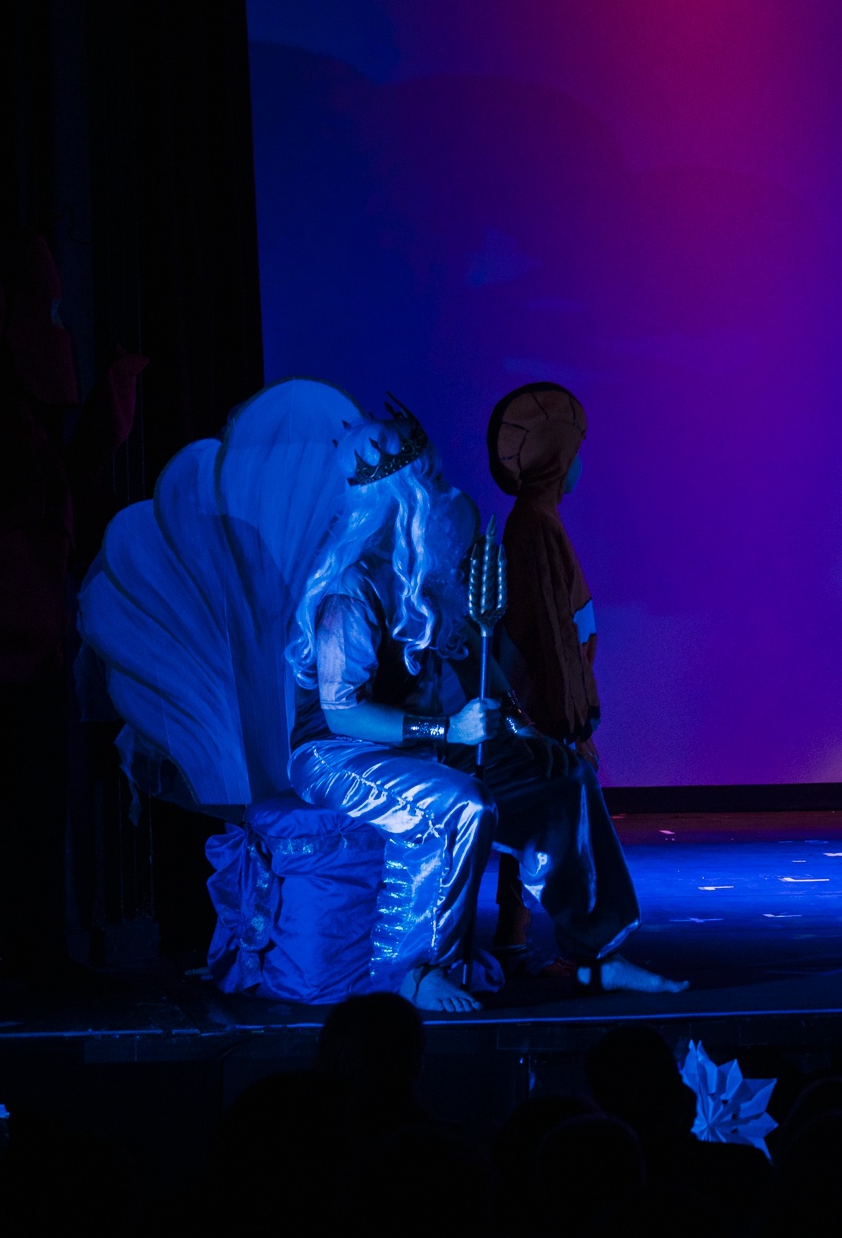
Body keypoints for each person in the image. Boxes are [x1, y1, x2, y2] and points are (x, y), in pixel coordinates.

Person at [285, 403, 684, 1011]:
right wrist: (449, 728)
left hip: (418, 745)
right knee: (464, 803)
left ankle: (594, 955)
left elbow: (473, 659)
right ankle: (418, 969)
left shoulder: (424, 575)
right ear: (405, 497)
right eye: (431, 480)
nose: (443, 492)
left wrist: (521, 731)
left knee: (564, 778)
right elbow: (343, 714)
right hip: (338, 754)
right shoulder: (351, 588)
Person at [485, 382, 600, 973]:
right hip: (543, 703)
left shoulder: (540, 521)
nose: (579, 465)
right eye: (574, 453)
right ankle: (584, 942)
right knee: (563, 818)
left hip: (547, 701)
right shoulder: (535, 527)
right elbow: (551, 632)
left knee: (544, 820)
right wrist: (570, 722)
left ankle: (520, 930)